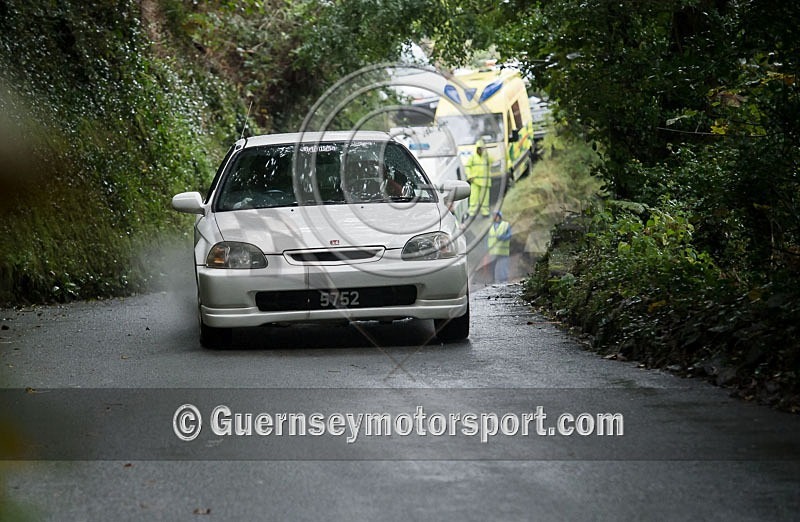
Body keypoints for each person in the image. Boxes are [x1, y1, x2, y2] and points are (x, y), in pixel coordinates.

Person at [465, 139, 491, 218]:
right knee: (474, 198)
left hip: (485, 181)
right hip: (475, 181)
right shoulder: (473, 157)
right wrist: (469, 176)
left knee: (485, 199)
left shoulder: (487, 157)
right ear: (477, 149)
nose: (481, 150)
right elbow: (467, 167)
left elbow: (494, 161)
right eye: (479, 148)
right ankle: (472, 213)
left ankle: (485, 212)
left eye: (482, 148)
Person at [487, 210, 512, 283]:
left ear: (499, 216)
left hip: (503, 251)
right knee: (492, 267)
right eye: (494, 215)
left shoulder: (505, 225)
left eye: (496, 215)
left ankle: (504, 281)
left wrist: (503, 237)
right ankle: (492, 281)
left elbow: (510, 235)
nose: (494, 217)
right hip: (493, 251)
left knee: (503, 267)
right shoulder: (491, 225)